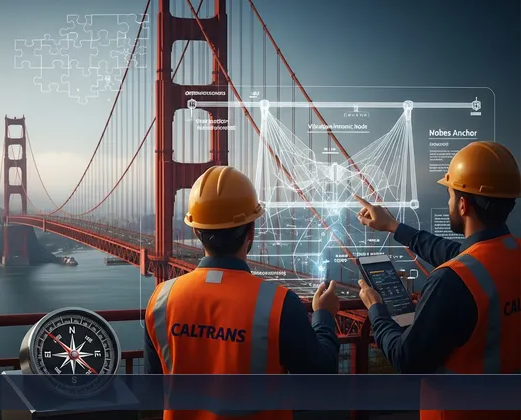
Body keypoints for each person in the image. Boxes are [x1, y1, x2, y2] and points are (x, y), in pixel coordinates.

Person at [144, 165, 341, 420]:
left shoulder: (161, 299)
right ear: (251, 231)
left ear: (195, 230)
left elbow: (153, 388)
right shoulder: (279, 304)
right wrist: (323, 316)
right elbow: (320, 381)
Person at [354, 141, 520, 420]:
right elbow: (453, 251)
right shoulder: (509, 255)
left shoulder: (451, 281)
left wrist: (376, 310)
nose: (449, 202)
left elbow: (407, 360)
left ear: (463, 204)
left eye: (450, 196)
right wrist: (393, 226)